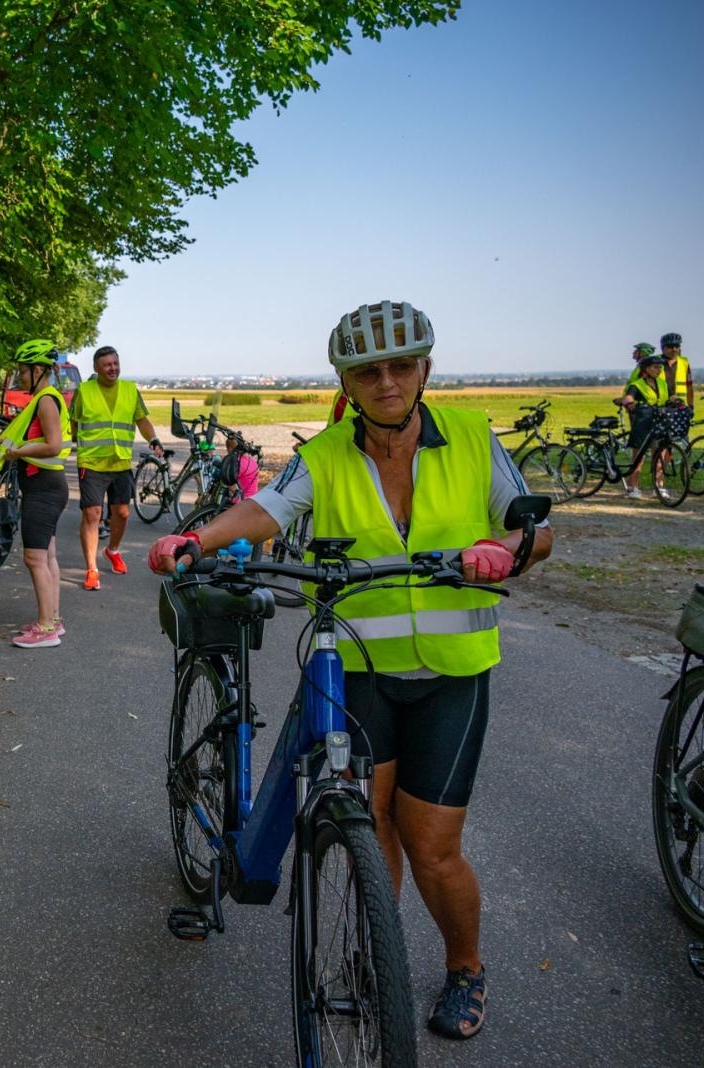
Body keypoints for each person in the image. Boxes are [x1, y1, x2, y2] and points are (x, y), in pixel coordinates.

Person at [149, 300, 553, 1042]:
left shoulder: (470, 435)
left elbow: (532, 525)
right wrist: (195, 539)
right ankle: (379, 946)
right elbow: (265, 510)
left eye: (402, 366)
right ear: (349, 381)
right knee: (371, 825)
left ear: (425, 370)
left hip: (452, 674)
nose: (388, 381)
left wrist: (511, 548)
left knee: (431, 846)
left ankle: (466, 967)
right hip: (362, 666)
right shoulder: (327, 453)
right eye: (370, 371)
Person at [0, 339, 71, 648]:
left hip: (43, 489)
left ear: (38, 370)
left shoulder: (46, 401)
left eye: (23, 371)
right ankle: (52, 618)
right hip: (47, 486)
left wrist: (16, 452)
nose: (20, 377)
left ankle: (45, 629)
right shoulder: (45, 398)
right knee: (48, 556)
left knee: (34, 558)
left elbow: (52, 444)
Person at [70, 346, 163, 590]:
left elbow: (141, 419)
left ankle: (112, 550)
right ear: (96, 369)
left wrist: (153, 439)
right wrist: (73, 442)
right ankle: (92, 569)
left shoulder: (130, 390)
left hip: (120, 462)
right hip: (91, 461)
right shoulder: (84, 390)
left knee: (122, 513)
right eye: (107, 365)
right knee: (92, 514)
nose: (112, 368)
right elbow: (74, 420)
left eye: (115, 363)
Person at [616, 350, 671, 499]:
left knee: (659, 455)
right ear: (646, 369)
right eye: (655, 367)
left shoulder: (662, 383)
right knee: (639, 457)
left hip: (660, 421)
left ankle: (659, 487)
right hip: (643, 422)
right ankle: (634, 488)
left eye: (660, 368)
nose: (658, 370)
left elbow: (667, 398)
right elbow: (628, 398)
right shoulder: (637, 385)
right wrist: (629, 404)